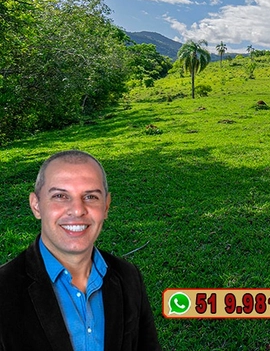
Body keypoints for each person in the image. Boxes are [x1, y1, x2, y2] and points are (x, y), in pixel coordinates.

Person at [0, 150, 162, 350]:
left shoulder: (129, 277)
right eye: (60, 196)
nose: (77, 210)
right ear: (36, 205)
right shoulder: (4, 289)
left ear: (106, 207)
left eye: (91, 196)